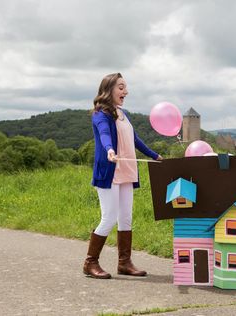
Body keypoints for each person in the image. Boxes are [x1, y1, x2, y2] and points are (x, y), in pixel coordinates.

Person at [83, 73, 163, 279]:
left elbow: (135, 139)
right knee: (109, 218)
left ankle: (124, 263)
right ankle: (90, 263)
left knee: (126, 218)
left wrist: (154, 156)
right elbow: (104, 134)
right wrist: (109, 150)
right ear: (108, 89)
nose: (125, 91)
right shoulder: (100, 114)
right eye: (120, 87)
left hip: (127, 170)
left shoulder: (122, 113)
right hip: (109, 171)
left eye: (125, 87)